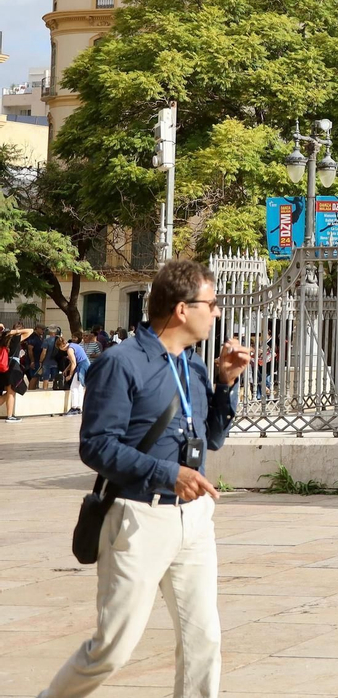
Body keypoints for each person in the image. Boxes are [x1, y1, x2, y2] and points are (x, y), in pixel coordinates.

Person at [39, 259, 251, 698]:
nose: (216, 313)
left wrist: (225, 384)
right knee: (112, 648)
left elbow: (211, 438)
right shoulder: (121, 363)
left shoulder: (194, 366)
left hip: (194, 520)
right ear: (182, 309)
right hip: (138, 517)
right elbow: (96, 445)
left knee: (204, 641)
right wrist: (167, 473)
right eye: (211, 304)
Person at [67, 333, 90, 415]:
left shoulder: (70, 349)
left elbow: (73, 363)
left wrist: (70, 375)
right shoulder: (75, 346)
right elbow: (74, 361)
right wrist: (66, 369)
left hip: (81, 367)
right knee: (80, 388)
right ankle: (80, 407)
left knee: (74, 387)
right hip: (85, 365)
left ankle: (74, 407)